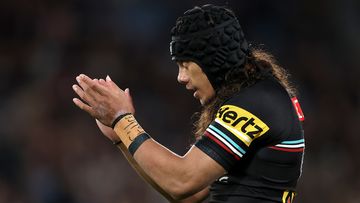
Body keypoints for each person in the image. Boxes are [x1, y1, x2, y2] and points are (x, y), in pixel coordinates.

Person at [72, 4, 305, 203]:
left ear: (212, 61)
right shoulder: (255, 97)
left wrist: (122, 119)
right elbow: (190, 195)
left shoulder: (256, 103)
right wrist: (120, 136)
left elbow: (182, 180)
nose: (180, 77)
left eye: (185, 64)